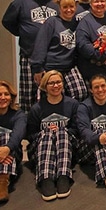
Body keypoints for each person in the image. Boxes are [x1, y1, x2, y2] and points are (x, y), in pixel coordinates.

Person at [2, 0, 59, 112]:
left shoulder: (57, 3)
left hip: (52, 57)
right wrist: (23, 32)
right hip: (29, 56)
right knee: (28, 95)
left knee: (52, 92)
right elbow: (7, 21)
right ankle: (27, 126)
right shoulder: (21, 2)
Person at [26, 71, 80, 201]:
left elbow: (77, 130)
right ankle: (46, 178)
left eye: (58, 82)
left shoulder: (72, 104)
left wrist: (61, 130)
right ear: (45, 86)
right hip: (42, 150)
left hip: (67, 149)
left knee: (61, 132)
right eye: (51, 83)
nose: (55, 86)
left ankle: (63, 176)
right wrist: (48, 133)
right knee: (47, 132)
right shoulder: (36, 108)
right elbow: (30, 135)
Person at [30, 0, 88, 102]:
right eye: (65, 7)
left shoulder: (78, 24)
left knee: (80, 93)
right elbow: (40, 45)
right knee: (52, 98)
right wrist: (37, 68)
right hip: (51, 67)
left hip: (69, 67)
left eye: (71, 6)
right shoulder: (52, 22)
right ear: (59, 7)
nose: (68, 10)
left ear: (76, 6)